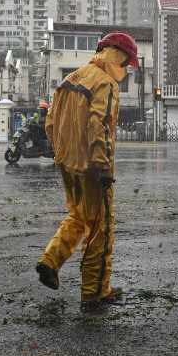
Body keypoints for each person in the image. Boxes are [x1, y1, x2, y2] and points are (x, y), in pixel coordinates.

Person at [35, 32, 139, 314]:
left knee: (79, 216)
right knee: (101, 229)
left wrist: (62, 154)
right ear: (119, 56)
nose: (127, 69)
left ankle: (51, 260)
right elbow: (99, 125)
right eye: (128, 63)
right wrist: (102, 165)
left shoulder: (72, 79)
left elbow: (51, 122)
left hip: (68, 164)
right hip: (93, 168)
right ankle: (95, 292)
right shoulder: (104, 82)